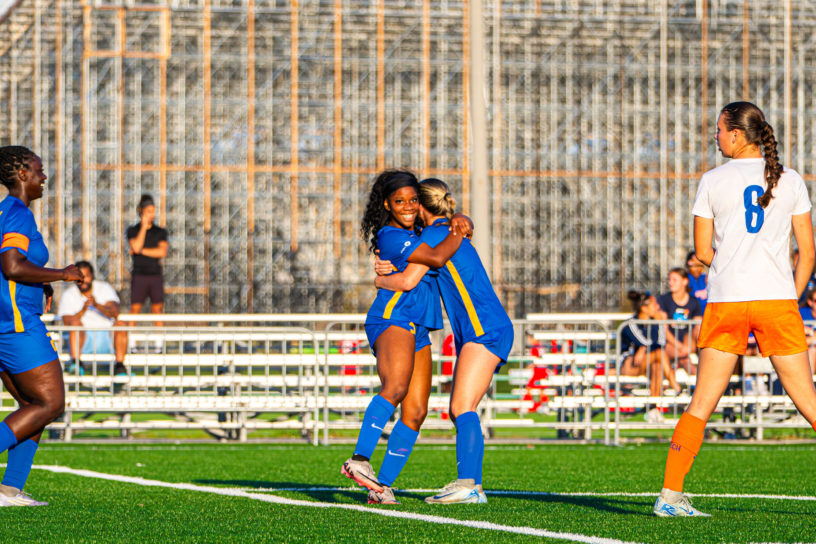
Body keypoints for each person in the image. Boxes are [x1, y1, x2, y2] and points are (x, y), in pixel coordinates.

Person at [655, 101, 816, 517]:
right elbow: (808, 255)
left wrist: (730, 261)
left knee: (701, 405)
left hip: (726, 301)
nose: (715, 136)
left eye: (719, 130)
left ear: (737, 136)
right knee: (810, 404)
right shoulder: (791, 179)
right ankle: (670, 499)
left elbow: (702, 253)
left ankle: (670, 497)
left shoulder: (712, 180)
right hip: (777, 302)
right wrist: (791, 296)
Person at [373, 178, 514, 504]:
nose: (409, 210)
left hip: (485, 329)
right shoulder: (450, 231)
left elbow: (408, 281)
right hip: (487, 327)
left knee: (461, 406)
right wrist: (462, 220)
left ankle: (469, 484)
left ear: (421, 206)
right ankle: (471, 484)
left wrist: (379, 276)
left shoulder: (435, 235)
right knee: (463, 407)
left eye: (412, 204)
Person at [340, 170, 469, 505]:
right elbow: (438, 257)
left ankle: (381, 486)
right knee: (395, 388)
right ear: (387, 204)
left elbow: (436, 241)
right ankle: (360, 459)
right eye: (400, 201)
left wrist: (460, 217)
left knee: (416, 412)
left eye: (413, 200)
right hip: (393, 317)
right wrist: (459, 229)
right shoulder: (393, 236)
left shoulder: (419, 232)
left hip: (419, 326)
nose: (408, 206)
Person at [0, 146, 83, 506]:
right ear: (21, 175)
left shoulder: (7, 212)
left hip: (9, 320)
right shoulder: (16, 212)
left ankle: (8, 489)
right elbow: (12, 266)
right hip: (16, 324)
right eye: (38, 169)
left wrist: (43, 283)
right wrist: (62, 274)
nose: (43, 176)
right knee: (51, 403)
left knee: (30, 407)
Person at [619, 290, 681, 424]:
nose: (657, 308)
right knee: (659, 354)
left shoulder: (655, 322)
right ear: (644, 308)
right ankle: (675, 386)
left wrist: (645, 347)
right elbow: (644, 342)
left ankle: (653, 410)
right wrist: (643, 347)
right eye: (653, 305)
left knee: (658, 366)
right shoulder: (631, 323)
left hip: (649, 363)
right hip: (629, 365)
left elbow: (660, 342)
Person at [57, 261, 128, 376]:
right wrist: (83, 309)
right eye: (79, 276)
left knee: (121, 324)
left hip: (107, 338)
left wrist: (97, 305)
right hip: (84, 340)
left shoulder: (104, 288)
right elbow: (67, 321)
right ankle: (76, 364)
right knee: (75, 323)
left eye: (86, 276)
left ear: (92, 276)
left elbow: (115, 312)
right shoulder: (69, 294)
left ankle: (120, 367)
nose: (83, 280)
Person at [126, 194, 168, 317]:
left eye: (153, 211)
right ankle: (131, 335)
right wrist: (143, 227)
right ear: (141, 211)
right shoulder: (133, 230)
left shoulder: (160, 232)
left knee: (157, 309)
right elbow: (136, 246)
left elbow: (162, 252)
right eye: (149, 211)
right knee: (135, 308)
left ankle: (158, 336)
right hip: (139, 274)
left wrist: (141, 251)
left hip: (155, 274)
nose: (152, 214)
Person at [656, 268, 702, 375]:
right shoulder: (663, 300)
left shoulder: (693, 302)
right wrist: (681, 347)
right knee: (684, 359)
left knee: (685, 356)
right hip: (670, 343)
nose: (670, 283)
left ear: (685, 281)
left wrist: (690, 345)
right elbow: (664, 330)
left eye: (674, 280)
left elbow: (698, 327)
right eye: (669, 280)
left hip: (688, 342)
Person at [798, 287, 816, 373]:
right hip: (802, 352)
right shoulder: (800, 313)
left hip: (803, 346)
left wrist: (810, 334)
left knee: (813, 348)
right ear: (810, 302)